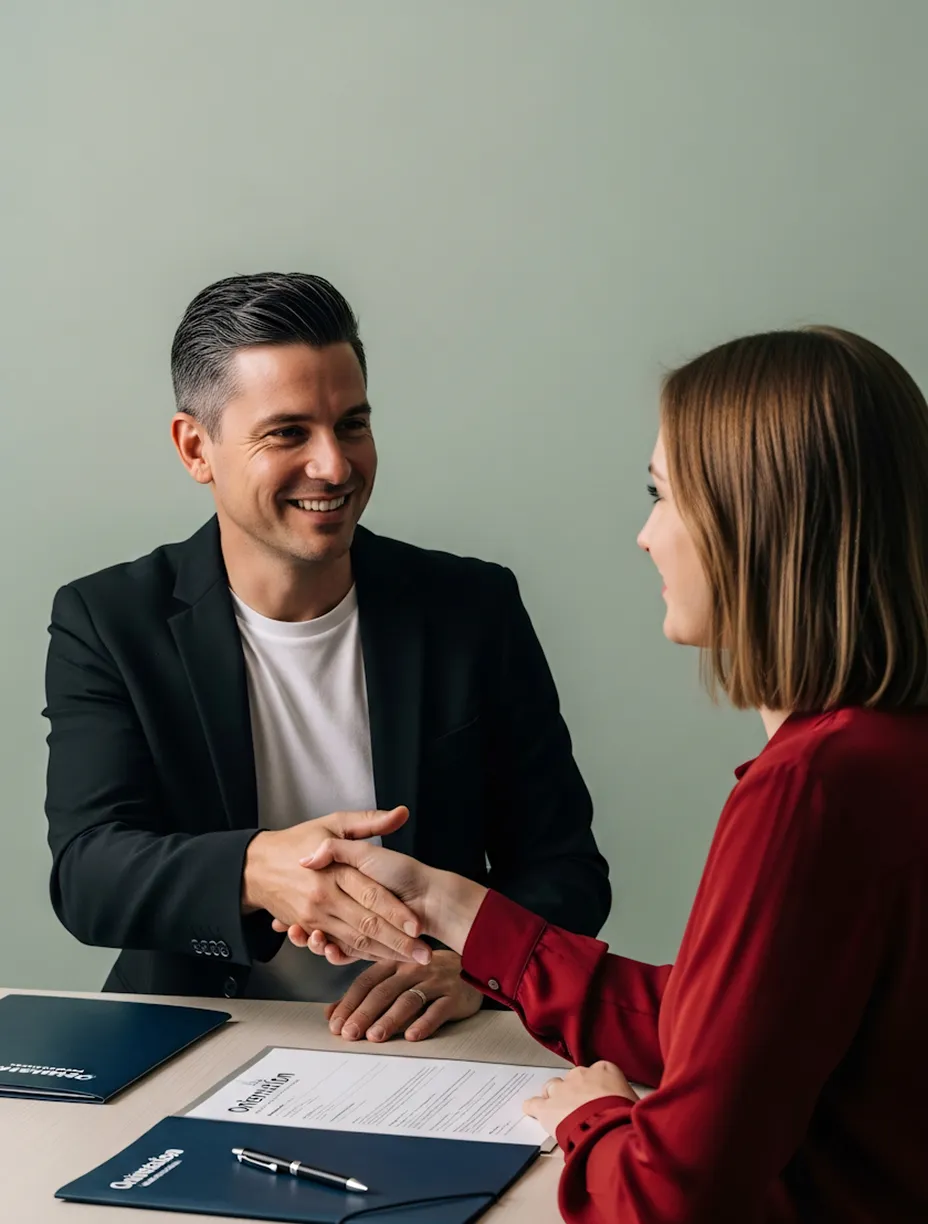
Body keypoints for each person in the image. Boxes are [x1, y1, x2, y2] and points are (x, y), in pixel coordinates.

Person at [283, 327, 928, 1222]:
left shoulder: (810, 792)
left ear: (762, 519)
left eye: (664, 497)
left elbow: (668, 1200)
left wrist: (593, 1120)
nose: (645, 536)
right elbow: (725, 1026)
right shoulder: (883, 754)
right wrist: (443, 906)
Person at [42, 272, 610, 1043]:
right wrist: (255, 871)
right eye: (288, 433)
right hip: (197, 1035)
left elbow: (567, 869)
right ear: (194, 447)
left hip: (434, 1045)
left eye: (351, 425)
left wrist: (480, 968)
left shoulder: (471, 607)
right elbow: (88, 873)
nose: (335, 466)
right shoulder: (109, 621)